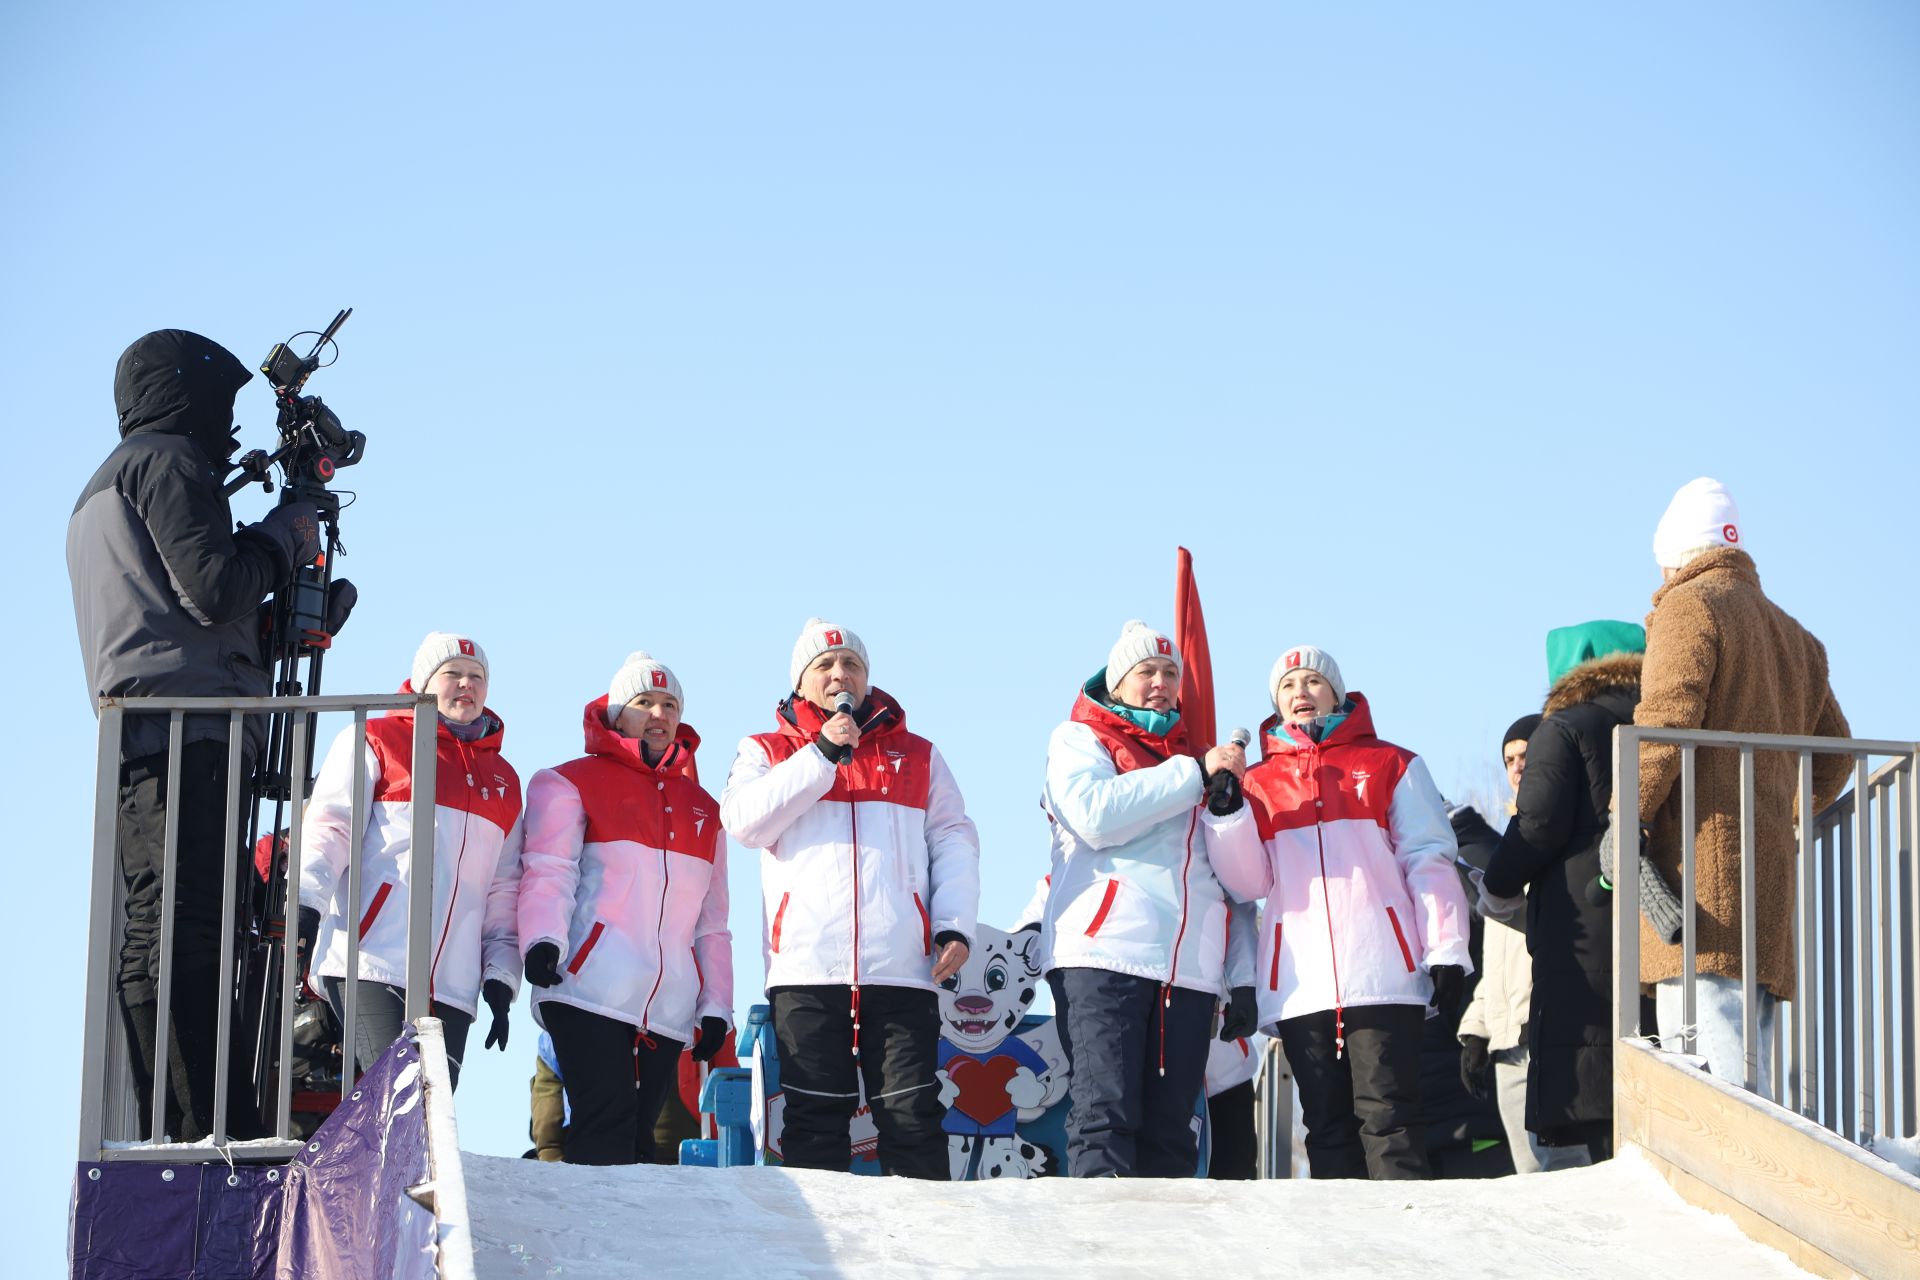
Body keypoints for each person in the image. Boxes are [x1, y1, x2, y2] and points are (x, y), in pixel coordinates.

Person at [68, 329, 341, 1140]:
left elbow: (168, 614)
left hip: (156, 724)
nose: (229, 430)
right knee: (186, 925)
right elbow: (214, 587)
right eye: (222, 407)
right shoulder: (169, 464)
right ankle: (201, 1121)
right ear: (190, 395)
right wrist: (284, 535)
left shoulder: (108, 482)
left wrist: (277, 631)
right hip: (189, 730)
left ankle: (185, 1115)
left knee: (171, 921)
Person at [721, 619, 979, 1179]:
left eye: (852, 665)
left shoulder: (919, 754)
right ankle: (821, 1260)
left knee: (913, 1117)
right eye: (825, 666)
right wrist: (819, 754)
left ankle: (929, 1254)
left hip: (903, 968)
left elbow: (954, 838)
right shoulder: (765, 750)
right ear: (801, 682)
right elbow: (744, 823)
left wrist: (953, 924)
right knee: (815, 1119)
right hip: (808, 969)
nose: (841, 674)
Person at [1203, 646, 1470, 1179]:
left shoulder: (1393, 764)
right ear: (1277, 705)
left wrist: (1446, 947)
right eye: (1288, 687)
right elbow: (1247, 881)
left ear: (1337, 691)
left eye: (1313, 682)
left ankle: (1402, 1247)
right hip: (1303, 986)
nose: (1301, 693)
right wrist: (1227, 813)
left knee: (1390, 1119)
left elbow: (1429, 859)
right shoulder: (1258, 782)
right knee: (1326, 1127)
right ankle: (1344, 1256)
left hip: (1385, 977)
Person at [1633, 479, 1851, 1091]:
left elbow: (1664, 722)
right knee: (1748, 1058)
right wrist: (1788, 812)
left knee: (1706, 1067)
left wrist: (1628, 815)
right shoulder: (1796, 638)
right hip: (1769, 874)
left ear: (1677, 551)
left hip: (1700, 872)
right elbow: (1837, 754)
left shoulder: (1690, 605)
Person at [1041, 621, 1246, 1178]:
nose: (1160, 682)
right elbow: (1093, 816)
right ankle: (1102, 1256)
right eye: (1146, 672)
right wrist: (1190, 774)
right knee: (1104, 1117)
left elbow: (1238, 883)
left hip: (1185, 971)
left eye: (1170, 672)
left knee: (1172, 1132)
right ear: (1116, 683)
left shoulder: (1200, 761)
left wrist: (1231, 809)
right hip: (1103, 954)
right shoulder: (1080, 738)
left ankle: (1164, 1257)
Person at [519, 652, 734, 1166]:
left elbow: (713, 923)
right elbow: (549, 871)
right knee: (604, 1123)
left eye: (669, 704)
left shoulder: (704, 809)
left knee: (644, 1140)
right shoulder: (568, 782)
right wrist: (542, 940)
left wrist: (716, 1005)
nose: (659, 715)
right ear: (617, 715)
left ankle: (630, 1247)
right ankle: (590, 1243)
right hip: (587, 988)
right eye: (644, 703)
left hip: (665, 1005)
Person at [299, 631, 523, 1088]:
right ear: (424, 682)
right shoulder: (376, 739)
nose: (466, 685)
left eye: (477, 677)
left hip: (453, 983)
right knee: (402, 1095)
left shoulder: (504, 778)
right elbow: (331, 828)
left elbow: (503, 888)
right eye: (452, 674)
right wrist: (305, 900)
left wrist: (501, 973)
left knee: (429, 1114)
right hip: (370, 958)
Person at [1480, 623, 1646, 1163]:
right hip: (1658, 917)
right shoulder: (1667, 722)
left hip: (1586, 921)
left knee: (1598, 1088)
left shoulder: (1566, 727)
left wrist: (1497, 886)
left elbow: (1537, 824)